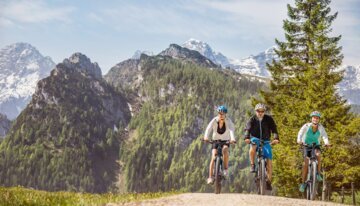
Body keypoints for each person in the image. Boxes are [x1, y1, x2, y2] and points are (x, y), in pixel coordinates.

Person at [244, 103, 279, 190]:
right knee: (253, 146)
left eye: (262, 111)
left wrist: (276, 138)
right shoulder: (252, 119)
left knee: (269, 163)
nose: (260, 113)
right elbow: (247, 129)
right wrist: (246, 137)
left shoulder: (269, 119)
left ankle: (268, 181)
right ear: (255, 111)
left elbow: (274, 129)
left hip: (266, 141)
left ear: (264, 112)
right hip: (255, 138)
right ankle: (252, 164)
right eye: (258, 111)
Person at [297, 111, 330, 193]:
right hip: (306, 145)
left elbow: (324, 136)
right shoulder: (306, 126)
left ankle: (318, 174)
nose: (315, 119)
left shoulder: (321, 127)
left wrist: (326, 143)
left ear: (319, 119)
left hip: (316, 145)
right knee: (305, 163)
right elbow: (300, 133)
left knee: (318, 155)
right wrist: (299, 140)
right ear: (312, 118)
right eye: (314, 117)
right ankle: (303, 183)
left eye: (317, 118)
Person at [204, 105, 236, 184]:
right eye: (220, 113)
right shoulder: (214, 120)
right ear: (218, 114)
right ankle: (210, 177)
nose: (221, 115)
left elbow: (231, 130)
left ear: (225, 114)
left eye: (223, 114)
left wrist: (232, 139)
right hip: (215, 141)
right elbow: (208, 128)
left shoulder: (228, 121)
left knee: (225, 150)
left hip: (225, 141)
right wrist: (206, 137)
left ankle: (225, 169)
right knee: (213, 156)